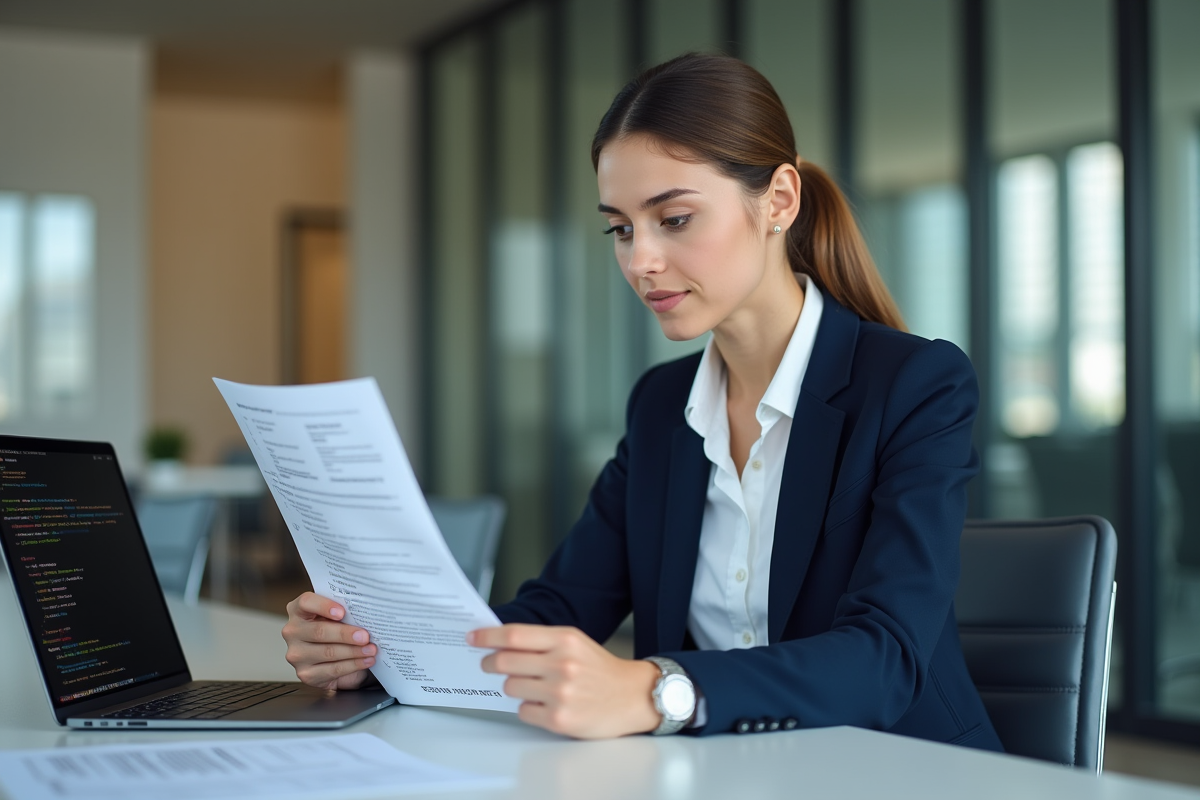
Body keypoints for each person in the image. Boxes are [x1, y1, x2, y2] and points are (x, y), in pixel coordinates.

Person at [281, 53, 1004, 751]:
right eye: (621, 229)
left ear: (779, 201)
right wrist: (379, 651)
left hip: (899, 765)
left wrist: (656, 691)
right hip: (718, 770)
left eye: (675, 218)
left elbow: (885, 658)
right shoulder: (663, 406)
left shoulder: (916, 384)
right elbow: (562, 607)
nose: (640, 261)